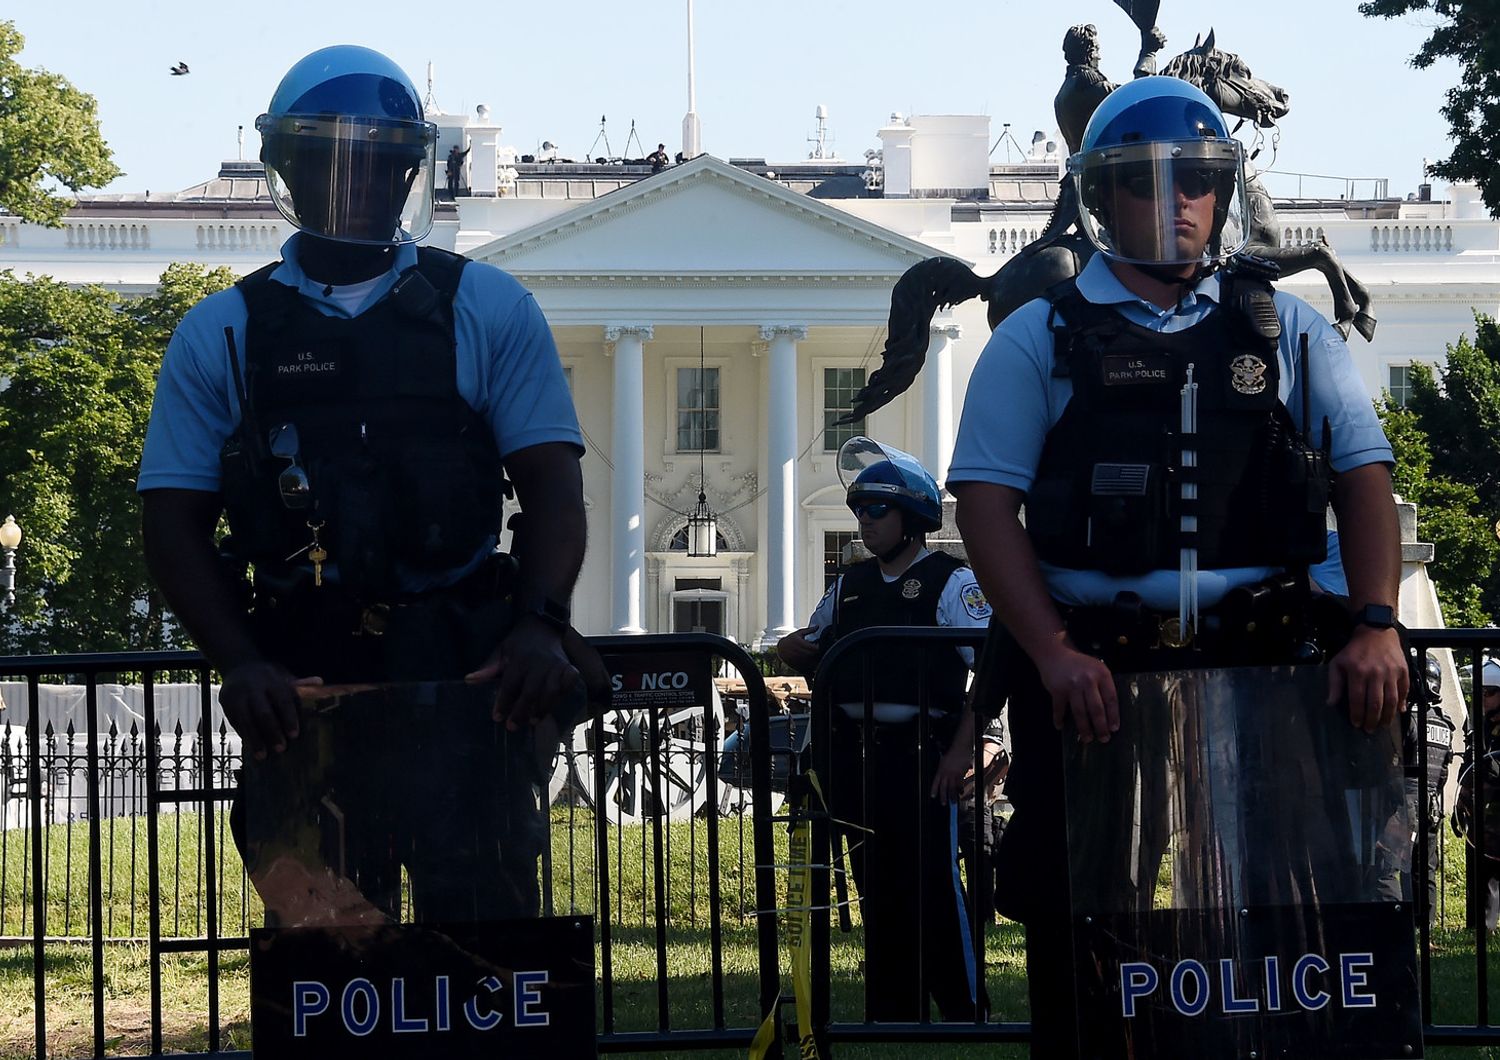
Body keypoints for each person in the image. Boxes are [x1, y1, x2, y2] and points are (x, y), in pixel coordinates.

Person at [946, 76, 1407, 1057]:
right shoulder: (1040, 336)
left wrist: (1375, 622)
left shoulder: (1290, 331)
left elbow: (1365, 477)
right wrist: (1054, 652)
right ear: (1102, 197)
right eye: (1151, 182)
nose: (1180, 200)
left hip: (1267, 658)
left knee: (1289, 887)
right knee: (1085, 892)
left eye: (1198, 178)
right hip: (1093, 665)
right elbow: (986, 507)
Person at [138, 45, 598, 924]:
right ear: (289, 173)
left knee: (487, 953)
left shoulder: (489, 308)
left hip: (465, 678)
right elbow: (173, 525)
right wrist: (238, 661)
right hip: (304, 691)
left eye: (385, 165)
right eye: (336, 164)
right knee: (326, 949)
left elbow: (552, 490)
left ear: (408, 176)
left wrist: (541, 624)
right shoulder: (222, 333)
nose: (364, 185)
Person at [778, 437, 992, 1023]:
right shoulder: (849, 586)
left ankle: (963, 1009)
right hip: (858, 759)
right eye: (858, 511)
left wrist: (960, 754)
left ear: (914, 517)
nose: (865, 522)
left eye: (878, 510)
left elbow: (989, 671)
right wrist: (802, 652)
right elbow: (806, 642)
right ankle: (892, 1010)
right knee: (877, 884)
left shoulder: (954, 583)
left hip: (926, 757)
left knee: (934, 884)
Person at [1453, 659, 1500, 932]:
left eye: (1490, 692)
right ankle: (1480, 927)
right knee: (1480, 871)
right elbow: (1471, 764)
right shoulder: (1479, 725)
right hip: (1481, 814)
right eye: (1480, 692)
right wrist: (1462, 800)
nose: (1483, 698)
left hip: (1496, 808)